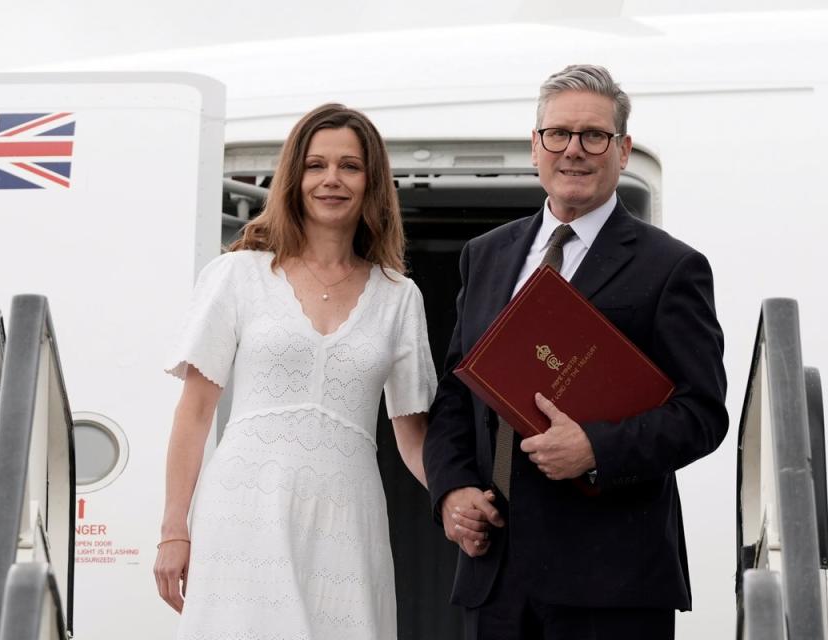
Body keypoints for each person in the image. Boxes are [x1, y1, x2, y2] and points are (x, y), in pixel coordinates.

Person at [423, 64, 728, 639]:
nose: (575, 151)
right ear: (535, 146)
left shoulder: (672, 267)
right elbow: (455, 398)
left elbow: (702, 414)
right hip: (497, 577)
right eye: (559, 134)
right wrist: (452, 489)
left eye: (595, 136)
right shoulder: (485, 255)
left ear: (623, 149)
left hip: (612, 582)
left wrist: (594, 448)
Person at [154, 103, 437, 640]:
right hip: (243, 509)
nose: (332, 179)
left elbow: (413, 435)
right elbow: (193, 416)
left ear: (372, 181)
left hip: (347, 517)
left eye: (350, 166)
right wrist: (174, 531)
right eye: (315, 165)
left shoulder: (400, 298)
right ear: (293, 177)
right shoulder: (238, 274)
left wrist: (456, 499)